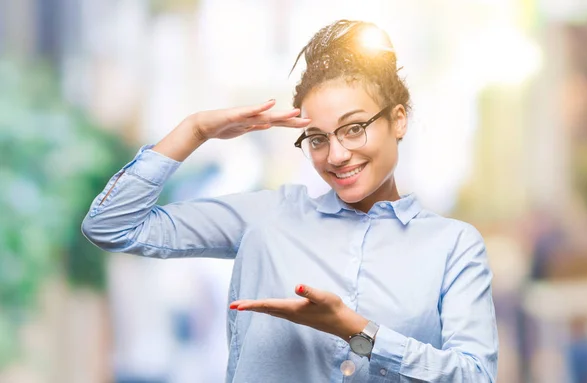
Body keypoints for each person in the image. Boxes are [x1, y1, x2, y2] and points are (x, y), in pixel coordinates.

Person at [82, 19, 498, 382]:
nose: (336, 155)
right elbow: (111, 225)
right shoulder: (269, 218)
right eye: (317, 139)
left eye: (354, 129)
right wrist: (195, 131)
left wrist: (359, 332)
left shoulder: (452, 246)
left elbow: (474, 375)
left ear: (399, 120)